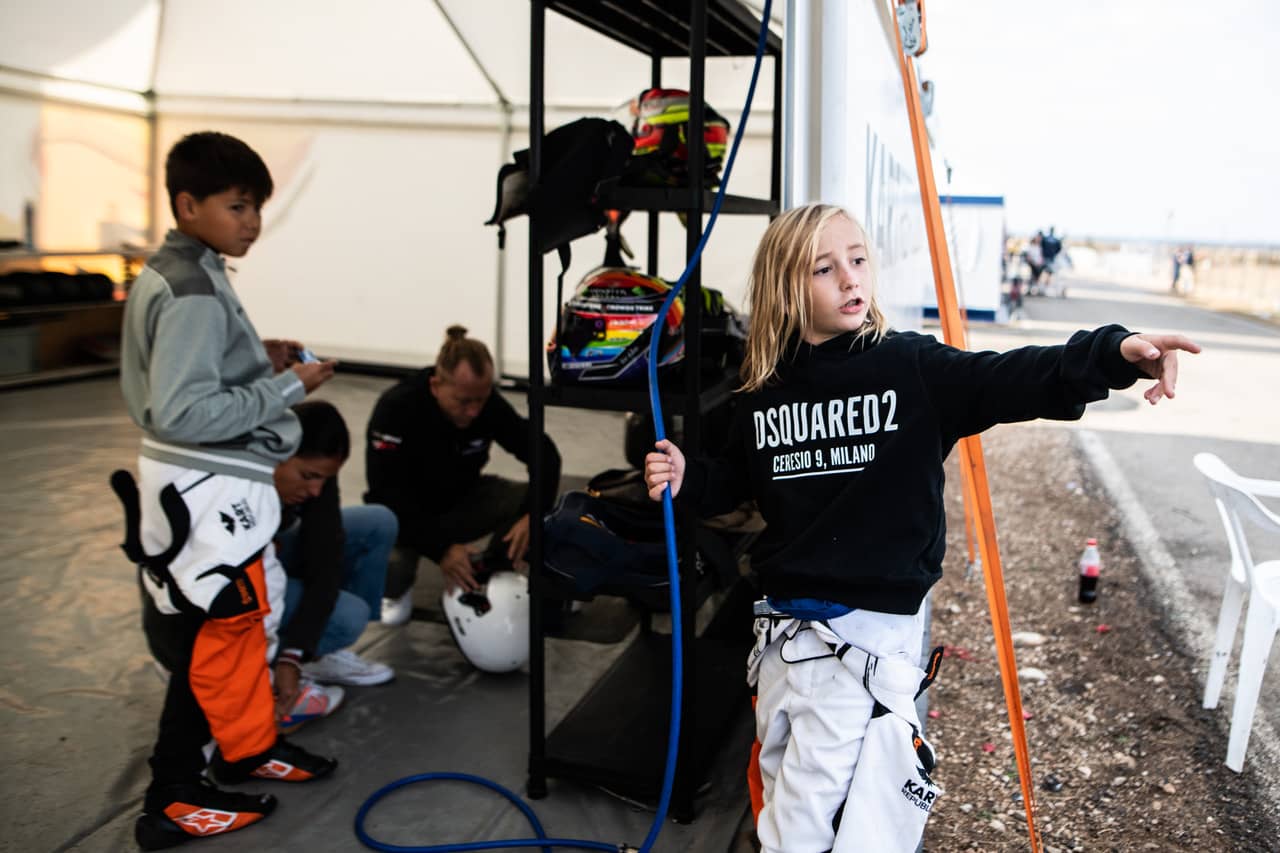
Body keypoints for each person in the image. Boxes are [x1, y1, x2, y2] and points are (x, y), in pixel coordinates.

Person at [642, 203, 1201, 853]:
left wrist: (1113, 355)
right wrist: (689, 476)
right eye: (824, 268)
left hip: (862, 640)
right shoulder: (762, 388)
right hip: (780, 638)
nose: (850, 278)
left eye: (857, 259)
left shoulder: (909, 367)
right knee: (783, 785)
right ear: (784, 287)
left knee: (807, 821)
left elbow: (1011, 376)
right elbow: (742, 479)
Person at [120, 131, 339, 850]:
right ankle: (174, 793)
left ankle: (246, 748)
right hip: (203, 488)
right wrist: (287, 387)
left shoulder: (190, 268)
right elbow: (183, 412)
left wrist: (255, 359)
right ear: (188, 205)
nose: (253, 222)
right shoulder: (189, 287)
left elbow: (193, 378)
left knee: (240, 630)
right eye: (237, 206)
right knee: (211, 641)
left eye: (256, 207)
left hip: (211, 487)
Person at [365, 325, 562, 625]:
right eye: (463, 402)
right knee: (390, 560)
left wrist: (532, 514)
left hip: (462, 499)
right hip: (406, 512)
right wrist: (441, 549)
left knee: (537, 505)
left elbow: (544, 453)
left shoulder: (485, 403)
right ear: (435, 386)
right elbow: (385, 496)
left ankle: (490, 573)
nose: (473, 412)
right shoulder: (396, 409)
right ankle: (394, 592)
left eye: (480, 400)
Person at [274, 400, 398, 689]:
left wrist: (298, 650)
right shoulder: (240, 486)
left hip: (271, 559)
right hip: (228, 592)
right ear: (278, 453)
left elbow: (325, 557)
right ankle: (260, 662)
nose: (316, 490)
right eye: (308, 476)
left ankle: (317, 652)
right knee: (348, 615)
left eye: (325, 479)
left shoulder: (315, 477)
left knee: (378, 522)